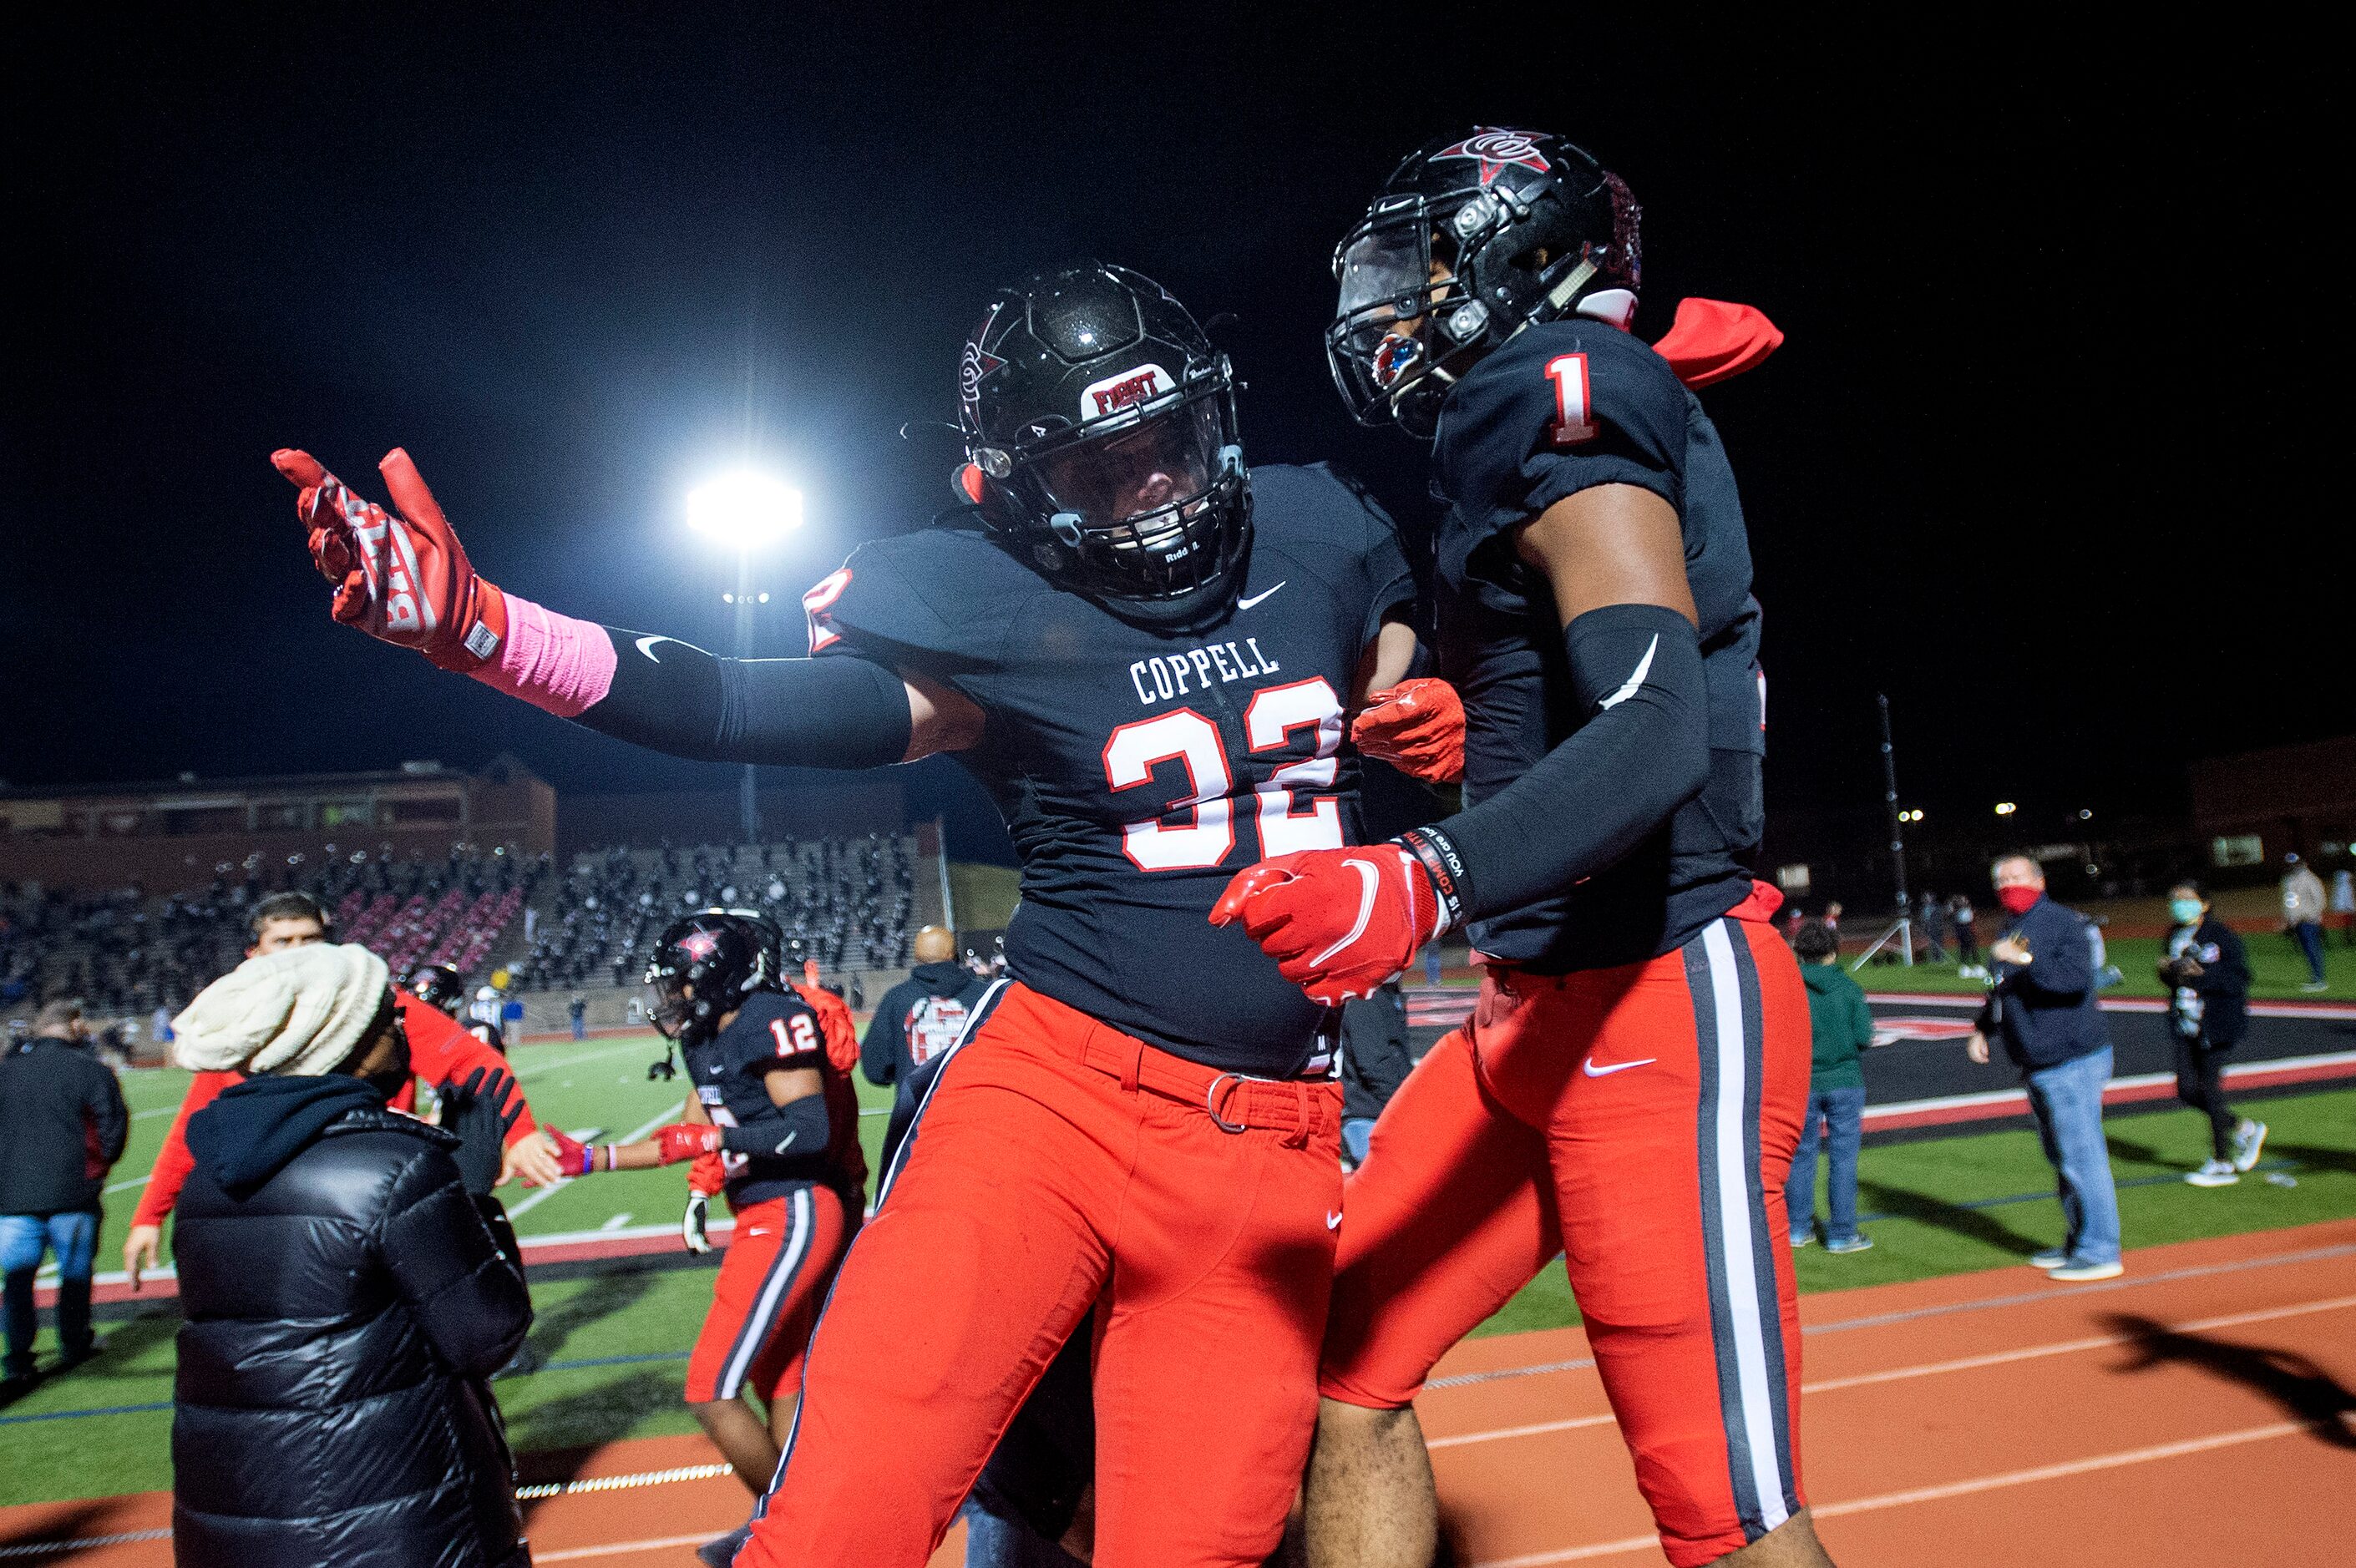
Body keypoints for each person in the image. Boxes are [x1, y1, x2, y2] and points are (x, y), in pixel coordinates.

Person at [273, 257, 1419, 1566]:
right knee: (845, 1513)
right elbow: (734, 702)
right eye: (1098, 467)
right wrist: (487, 629)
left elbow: (1395, 641)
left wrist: (1417, 715)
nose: (1147, 485)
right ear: (1011, 487)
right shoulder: (992, 601)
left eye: (1162, 441)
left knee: (1194, 1545)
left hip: (1267, 1142)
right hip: (1055, 1104)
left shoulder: (1319, 525)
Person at [1215, 129, 1827, 1567]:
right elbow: (1577, 676)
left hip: (1661, 988)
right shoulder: (1538, 400)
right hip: (1529, 1010)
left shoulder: (1558, 383)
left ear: (1521, 251)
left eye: (1424, 262)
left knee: (1723, 1515)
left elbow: (1655, 717)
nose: (1395, 303)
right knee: (1343, 1367)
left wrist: (1422, 869)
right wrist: (1472, 723)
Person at [168, 941, 533, 1568]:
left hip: (233, 1509)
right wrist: (478, 1207)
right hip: (392, 1514)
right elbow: (488, 1334)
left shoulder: (207, 1175)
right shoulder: (393, 1164)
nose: (403, 1031)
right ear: (343, 1041)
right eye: (388, 1018)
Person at [570, 914, 866, 1566]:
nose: (669, 998)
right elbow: (687, 1129)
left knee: (710, 1387)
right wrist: (593, 1161)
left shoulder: (771, 1018)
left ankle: (790, 1528)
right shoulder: (707, 1034)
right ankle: (798, 1514)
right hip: (760, 1209)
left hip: (795, 1208)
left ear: (717, 977)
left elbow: (808, 1131)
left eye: (678, 983)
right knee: (778, 1377)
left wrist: (712, 1141)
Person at [123, 893, 563, 1289]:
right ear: (253, 953)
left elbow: (468, 1059)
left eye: (309, 940)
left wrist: (520, 1131)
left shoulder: (371, 1001)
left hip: (372, 1189)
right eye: (284, 942)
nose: (299, 953)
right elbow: (193, 1124)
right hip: (278, 1204)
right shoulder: (247, 1024)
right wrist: (149, 1214)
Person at [1966, 856, 2120, 1280]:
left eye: (2017, 877)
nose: (2009, 885)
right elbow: (2001, 988)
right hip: (2037, 1056)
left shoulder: (2063, 923)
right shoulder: (2011, 927)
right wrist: (1984, 1027)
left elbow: (2074, 982)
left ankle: (2101, 1248)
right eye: (2001, 880)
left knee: (2081, 1156)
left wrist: (2023, 961)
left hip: (2070, 1055)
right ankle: (2079, 1238)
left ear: (2039, 880)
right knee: (2062, 1155)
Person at [1, 1000, 129, 1381]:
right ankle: (74, 1346)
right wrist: (98, 1171)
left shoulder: (5, 1072)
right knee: (74, 1275)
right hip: (74, 1192)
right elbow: (112, 1128)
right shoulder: (91, 1071)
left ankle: (18, 1358)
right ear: (73, 1024)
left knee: (18, 1280)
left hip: (11, 1198)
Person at [2159, 881, 2267, 1186]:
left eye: (2187, 899)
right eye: (2175, 899)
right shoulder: (2174, 935)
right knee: (2186, 1090)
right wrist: (2167, 972)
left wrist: (2205, 974)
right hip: (2185, 1023)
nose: (2179, 904)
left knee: (2210, 1089)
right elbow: (2176, 980)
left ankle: (2222, 1161)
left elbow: (2240, 977)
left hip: (2216, 1023)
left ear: (2204, 904)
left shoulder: (2220, 936)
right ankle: (2245, 1128)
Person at [1787, 923, 1875, 1252]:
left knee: (1800, 1155)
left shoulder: (1789, 988)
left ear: (1799, 953)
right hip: (1845, 1080)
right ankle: (1841, 1233)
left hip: (1803, 1083)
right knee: (1843, 1158)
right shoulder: (1848, 988)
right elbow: (1864, 1037)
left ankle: (1796, 1228)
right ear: (1833, 952)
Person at [1338, 979, 1412, 1170]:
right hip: (1368, 1114)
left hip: (1373, 1111)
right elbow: (1374, 1065)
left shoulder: (1384, 993)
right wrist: (1405, 1106)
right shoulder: (1366, 997)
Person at [2281, 852, 2328, 990]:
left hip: (2309, 921)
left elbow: (2320, 901)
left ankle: (2319, 980)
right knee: (2307, 950)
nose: (2293, 867)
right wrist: (2289, 918)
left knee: (2313, 949)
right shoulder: (2289, 880)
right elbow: (2290, 902)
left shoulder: (2310, 879)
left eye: (2295, 864)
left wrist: (2309, 915)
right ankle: (2315, 978)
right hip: (2297, 922)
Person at [1951, 892, 1982, 977]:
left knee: (1968, 949)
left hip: (1966, 931)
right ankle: (1972, 968)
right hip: (1965, 931)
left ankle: (1968, 968)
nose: (1966, 901)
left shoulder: (1963, 910)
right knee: (1969, 949)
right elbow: (1967, 921)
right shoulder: (1961, 911)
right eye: (1964, 900)